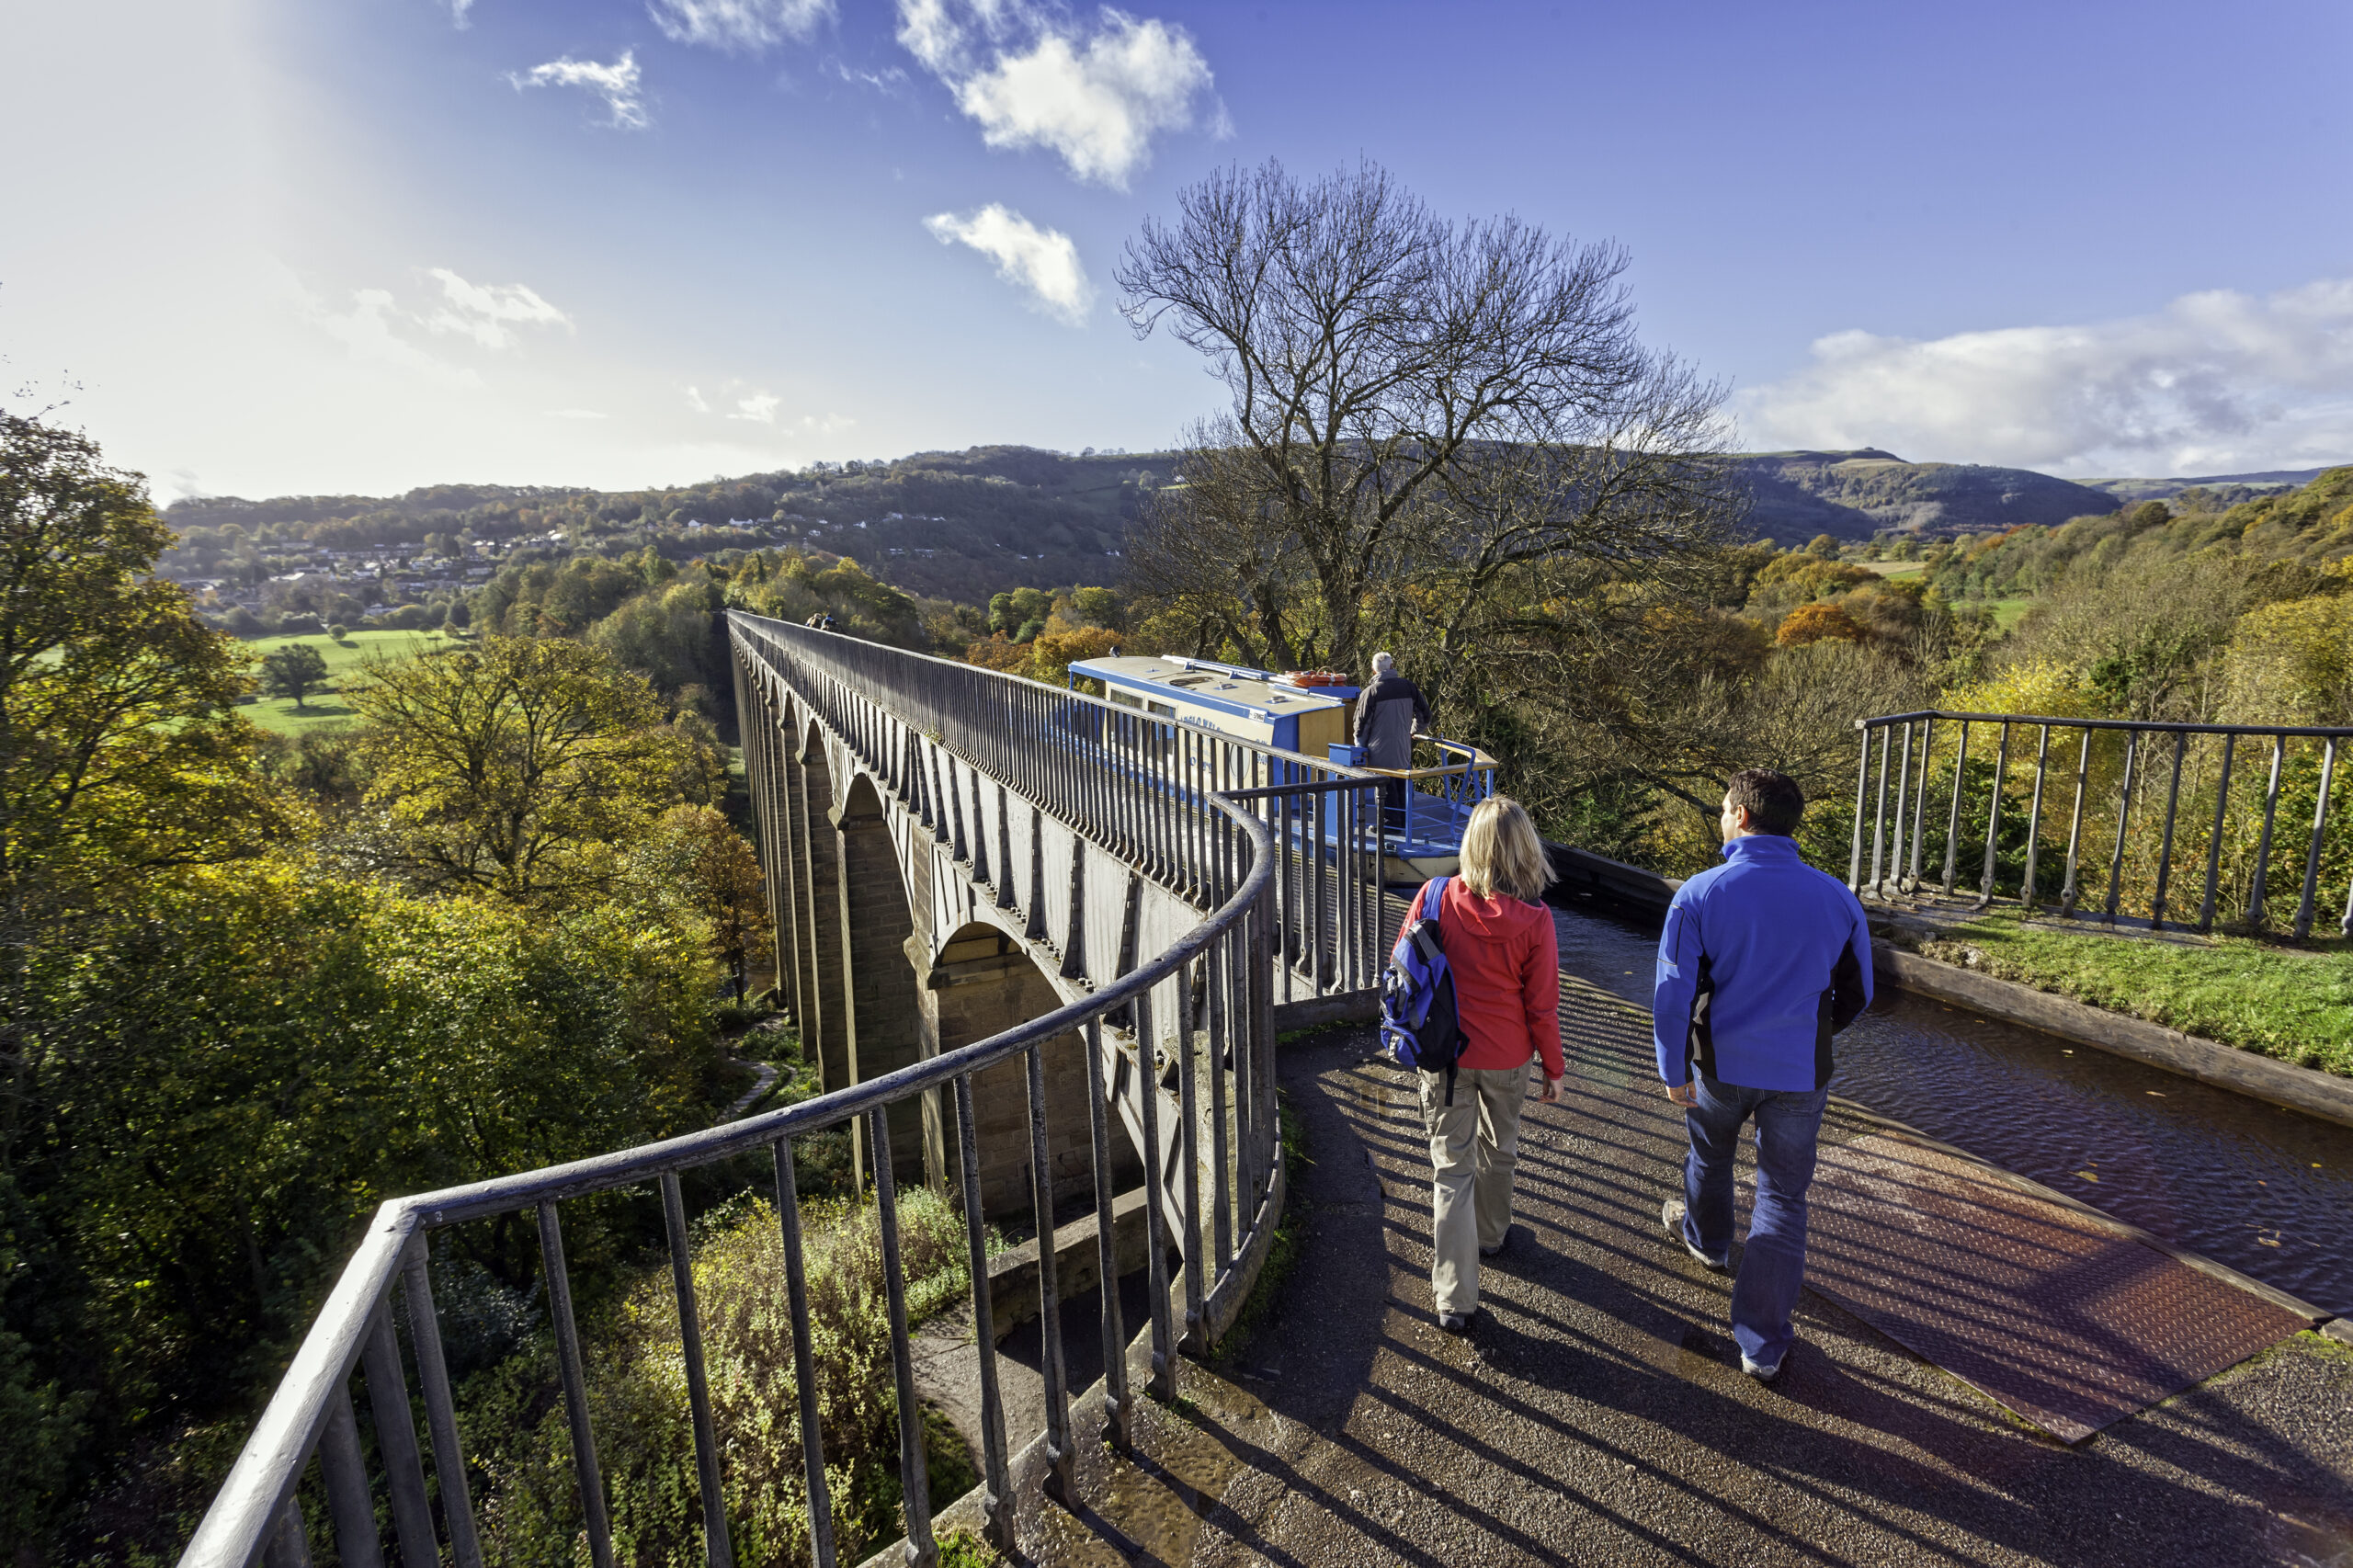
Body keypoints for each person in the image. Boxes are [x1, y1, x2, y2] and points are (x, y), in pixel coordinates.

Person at [1652, 767, 1873, 1382]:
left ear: (1742, 817)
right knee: (1782, 1197)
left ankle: (1708, 1243)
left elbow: (1672, 994)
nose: (1722, 817)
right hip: (1801, 1072)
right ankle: (1762, 1345)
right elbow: (1860, 991)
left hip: (1720, 1065)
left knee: (1710, 1153)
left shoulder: (1699, 893)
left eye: (1725, 809)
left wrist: (1673, 1066)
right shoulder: (1837, 898)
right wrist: (1813, 1034)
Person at [1403, 795, 1563, 1334]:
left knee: (1451, 1169)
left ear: (1471, 844)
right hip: (1509, 1056)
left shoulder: (1434, 896)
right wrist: (1554, 1067)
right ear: (1526, 850)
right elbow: (1541, 1005)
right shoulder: (1537, 920)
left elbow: (1404, 969)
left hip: (1446, 1056)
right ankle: (1492, 1234)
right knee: (1501, 1149)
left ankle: (1453, 1297)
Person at [1354, 652, 1431, 829]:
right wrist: (1412, 731)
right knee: (1402, 780)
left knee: (1385, 785)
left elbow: (1361, 726)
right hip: (1403, 746)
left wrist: (1361, 748)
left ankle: (1390, 823)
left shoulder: (1371, 692)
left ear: (1374, 670)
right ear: (1392, 666)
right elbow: (1425, 715)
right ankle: (1404, 821)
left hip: (1378, 749)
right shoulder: (1409, 687)